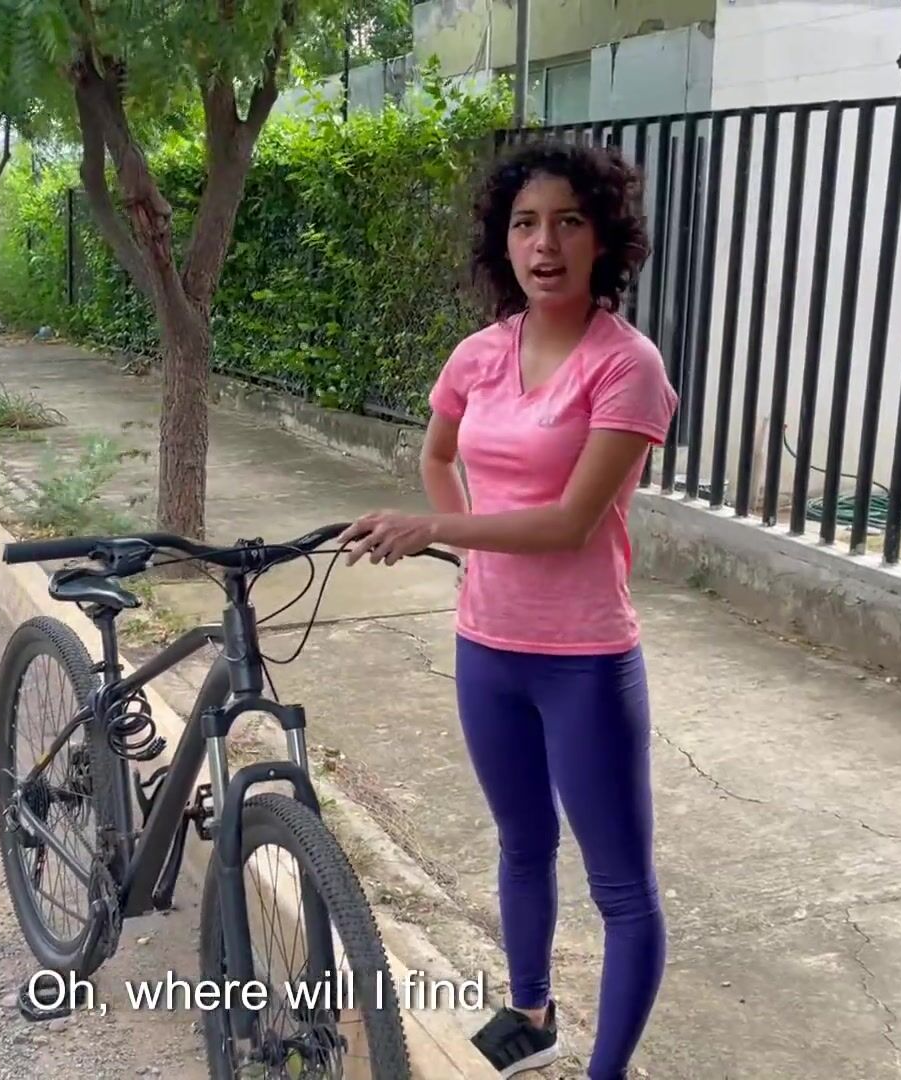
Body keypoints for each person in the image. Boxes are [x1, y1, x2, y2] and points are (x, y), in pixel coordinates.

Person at [337, 141, 677, 1079]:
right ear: (504, 240)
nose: (545, 245)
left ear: (603, 238)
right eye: (526, 224)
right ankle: (531, 1014)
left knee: (621, 887)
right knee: (522, 844)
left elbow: (571, 523)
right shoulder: (480, 355)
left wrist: (437, 528)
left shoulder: (627, 366)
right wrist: (465, 542)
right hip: (487, 649)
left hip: (584, 661)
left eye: (569, 221)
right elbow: (438, 451)